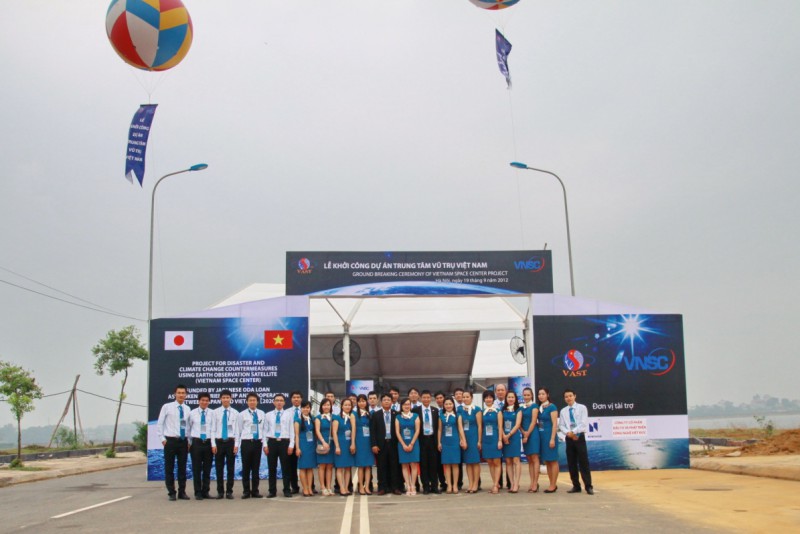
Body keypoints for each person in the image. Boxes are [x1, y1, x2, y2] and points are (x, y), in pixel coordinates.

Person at [156, 384, 191, 501]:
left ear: (186, 395)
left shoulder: (187, 409)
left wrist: (189, 441)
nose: (181, 395)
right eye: (179, 393)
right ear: (175, 394)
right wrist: (162, 439)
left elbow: (187, 427)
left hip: (183, 442)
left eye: (183, 393)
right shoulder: (167, 407)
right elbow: (160, 423)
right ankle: (171, 492)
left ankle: (182, 492)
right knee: (169, 468)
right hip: (170, 441)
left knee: (182, 468)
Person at [558, 389, 594, 495]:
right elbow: (561, 425)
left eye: (570, 396)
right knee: (571, 462)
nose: (568, 398)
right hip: (569, 438)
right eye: (566, 397)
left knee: (583, 462)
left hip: (579, 437)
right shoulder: (563, 411)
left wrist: (573, 432)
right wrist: (568, 433)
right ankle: (576, 485)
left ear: (575, 396)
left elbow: (583, 423)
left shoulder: (582, 408)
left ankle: (588, 486)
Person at [263, 393, 295, 498]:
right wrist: (265, 445)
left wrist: (291, 445)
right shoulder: (268, 415)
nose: (279, 402)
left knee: (286, 467)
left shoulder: (289, 415)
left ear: (284, 402)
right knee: (272, 468)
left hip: (284, 442)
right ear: (273, 402)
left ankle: (287, 489)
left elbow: (292, 431)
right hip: (271, 442)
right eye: (277, 400)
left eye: (281, 400)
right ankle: (272, 490)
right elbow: (264, 431)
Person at [236, 392, 265, 499]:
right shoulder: (242, 414)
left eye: (254, 400)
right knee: (246, 468)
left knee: (256, 468)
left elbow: (264, 430)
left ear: (257, 401)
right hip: (246, 443)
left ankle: (255, 491)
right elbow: (239, 430)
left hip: (258, 442)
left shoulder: (262, 414)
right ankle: (246, 491)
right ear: (247, 402)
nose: (252, 402)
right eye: (250, 400)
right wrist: (237, 445)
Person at [371, 393, 401, 495]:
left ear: (392, 402)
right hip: (381, 444)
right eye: (384, 400)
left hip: (393, 444)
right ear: (381, 402)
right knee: (381, 467)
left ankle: (395, 487)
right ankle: (382, 487)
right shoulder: (376, 414)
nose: (387, 401)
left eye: (389, 400)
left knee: (394, 466)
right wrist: (374, 444)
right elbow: (373, 431)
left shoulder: (397, 414)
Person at [212, 389, 239, 499]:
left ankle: (229, 491)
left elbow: (237, 430)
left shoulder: (235, 413)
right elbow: (212, 429)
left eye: (228, 397)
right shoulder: (215, 412)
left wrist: (236, 444)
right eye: (223, 397)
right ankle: (220, 491)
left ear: (231, 399)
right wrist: (213, 444)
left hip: (230, 442)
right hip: (219, 442)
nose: (226, 399)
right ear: (220, 399)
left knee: (230, 468)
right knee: (219, 468)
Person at [187, 392, 214, 500]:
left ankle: (205, 491)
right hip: (196, 443)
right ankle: (197, 492)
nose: (204, 402)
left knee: (207, 469)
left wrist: (213, 444)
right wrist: (189, 442)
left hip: (208, 443)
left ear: (209, 401)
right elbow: (188, 429)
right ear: (199, 401)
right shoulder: (192, 413)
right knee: (197, 469)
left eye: (206, 400)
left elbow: (214, 429)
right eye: (202, 400)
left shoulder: (212, 413)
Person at [415, 390, 439, 494]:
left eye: (428, 397)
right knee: (423, 464)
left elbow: (438, 427)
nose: (426, 399)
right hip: (421, 440)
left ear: (431, 398)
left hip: (432, 439)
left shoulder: (435, 410)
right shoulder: (415, 410)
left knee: (434, 464)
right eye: (424, 397)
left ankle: (434, 486)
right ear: (420, 398)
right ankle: (425, 486)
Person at [457, 390, 482, 493]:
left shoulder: (477, 409)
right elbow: (460, 426)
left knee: (475, 462)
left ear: (472, 398)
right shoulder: (459, 410)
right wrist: (463, 439)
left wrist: (479, 440)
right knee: (468, 462)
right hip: (465, 437)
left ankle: (476, 484)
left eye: (467, 397)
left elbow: (480, 425)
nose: (465, 399)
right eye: (464, 397)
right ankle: (470, 483)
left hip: (474, 436)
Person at [395, 398, 420, 496]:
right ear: (401, 406)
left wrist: (411, 444)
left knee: (414, 465)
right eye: (404, 404)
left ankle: (413, 485)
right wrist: (403, 444)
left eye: (408, 404)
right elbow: (397, 432)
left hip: (413, 443)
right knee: (404, 465)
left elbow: (417, 430)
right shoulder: (398, 417)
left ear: (411, 405)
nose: (406, 406)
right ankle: (408, 485)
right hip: (402, 444)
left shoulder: (416, 416)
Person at [537, 387, 560, 493]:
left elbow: (555, 423)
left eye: (543, 394)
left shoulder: (552, 407)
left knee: (553, 460)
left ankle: (553, 484)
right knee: (547, 461)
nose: (541, 396)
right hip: (542, 436)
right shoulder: (540, 407)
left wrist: (552, 439)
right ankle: (551, 483)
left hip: (550, 436)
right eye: (539, 394)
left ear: (547, 395)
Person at [481, 390, 503, 494]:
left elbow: (500, 427)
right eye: (486, 398)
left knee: (497, 462)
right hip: (486, 440)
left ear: (493, 399)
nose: (488, 399)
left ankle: (495, 485)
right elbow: (480, 427)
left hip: (495, 439)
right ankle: (495, 483)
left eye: (490, 397)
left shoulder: (498, 411)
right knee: (490, 462)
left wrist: (499, 440)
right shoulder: (482, 412)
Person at [438, 397, 462, 494]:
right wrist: (439, 442)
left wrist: (462, 440)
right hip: (445, 442)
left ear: (453, 405)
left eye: (450, 404)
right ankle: (449, 485)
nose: (448, 406)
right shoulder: (441, 416)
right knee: (447, 465)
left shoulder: (457, 416)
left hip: (455, 441)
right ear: (444, 405)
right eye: (446, 404)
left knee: (455, 464)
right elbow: (439, 430)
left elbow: (460, 429)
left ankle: (455, 484)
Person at [332, 398, 356, 496]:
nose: (347, 407)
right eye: (345, 405)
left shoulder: (352, 417)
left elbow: (354, 430)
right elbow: (334, 432)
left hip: (349, 444)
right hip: (340, 444)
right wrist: (337, 446)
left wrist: (353, 443)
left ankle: (346, 487)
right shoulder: (337, 418)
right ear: (341, 406)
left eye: (349, 405)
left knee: (348, 468)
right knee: (340, 467)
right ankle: (341, 488)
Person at [520, 387, 541, 493]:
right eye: (525, 395)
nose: (526, 397)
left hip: (533, 434)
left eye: (528, 395)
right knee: (529, 459)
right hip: (524, 434)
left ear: (532, 395)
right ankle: (532, 481)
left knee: (534, 458)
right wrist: (523, 432)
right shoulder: (521, 407)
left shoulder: (534, 406)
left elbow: (533, 422)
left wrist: (527, 434)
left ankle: (535, 483)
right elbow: (518, 422)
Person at [501, 390, 522, 493]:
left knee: (516, 460)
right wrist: (504, 436)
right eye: (509, 397)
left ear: (515, 398)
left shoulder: (518, 409)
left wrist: (508, 435)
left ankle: (517, 483)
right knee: (508, 461)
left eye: (512, 397)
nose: (510, 399)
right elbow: (499, 424)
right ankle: (512, 483)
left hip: (514, 437)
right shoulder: (502, 409)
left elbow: (517, 424)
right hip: (505, 437)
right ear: (506, 398)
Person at [294, 400, 317, 497]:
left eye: (307, 407)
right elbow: (297, 435)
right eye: (304, 407)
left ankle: (310, 487)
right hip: (303, 446)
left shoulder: (313, 419)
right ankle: (305, 488)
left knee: (310, 468)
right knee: (303, 468)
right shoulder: (298, 420)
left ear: (310, 409)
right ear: (301, 409)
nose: (306, 409)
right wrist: (297, 448)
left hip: (311, 446)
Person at [354, 394, 374, 494]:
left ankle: (367, 486)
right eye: (360, 401)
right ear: (357, 403)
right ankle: (360, 486)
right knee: (361, 466)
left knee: (368, 466)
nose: (362, 403)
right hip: (359, 441)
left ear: (366, 402)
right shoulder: (354, 414)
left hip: (368, 442)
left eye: (363, 401)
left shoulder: (369, 414)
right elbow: (353, 430)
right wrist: (353, 443)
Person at [314, 399, 335, 496]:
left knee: (330, 466)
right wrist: (323, 441)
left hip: (332, 443)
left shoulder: (333, 418)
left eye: (328, 405)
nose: (326, 407)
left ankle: (329, 487)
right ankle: (322, 487)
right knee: (322, 466)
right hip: (322, 443)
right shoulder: (318, 418)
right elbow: (317, 431)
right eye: (324, 405)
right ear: (321, 406)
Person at [287, 390, 304, 494]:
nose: (296, 399)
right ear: (291, 399)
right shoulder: (287, 412)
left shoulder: (306, 411)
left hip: (304, 442)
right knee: (292, 465)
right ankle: (294, 486)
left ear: (301, 399)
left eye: (298, 397)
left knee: (307, 465)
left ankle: (310, 486)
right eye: (294, 397)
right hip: (291, 442)